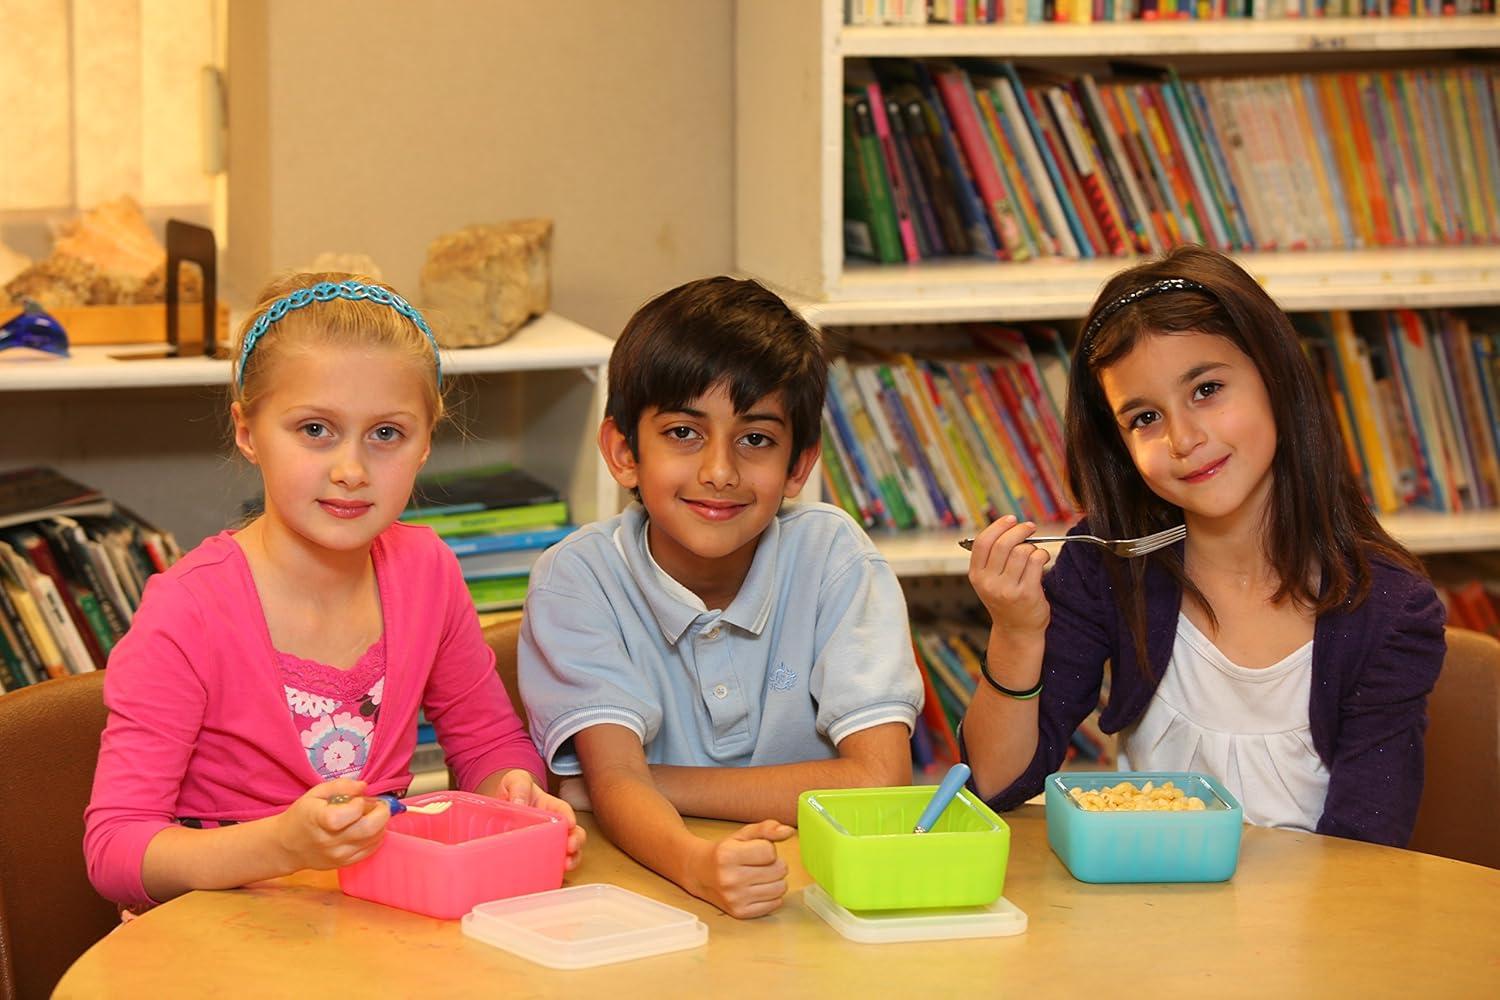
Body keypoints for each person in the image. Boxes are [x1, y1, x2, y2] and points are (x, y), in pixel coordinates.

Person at [84, 273, 583, 912]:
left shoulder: (427, 569)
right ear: (246, 430)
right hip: (213, 937)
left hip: (377, 912)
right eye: (315, 430)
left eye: (386, 434)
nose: (350, 470)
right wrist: (284, 846)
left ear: (426, 443)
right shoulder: (188, 609)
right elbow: (116, 850)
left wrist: (514, 793)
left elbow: (487, 744)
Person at [961, 246, 1445, 847]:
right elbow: (995, 785)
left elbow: (1369, 849)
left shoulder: (1390, 609)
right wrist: (1015, 632)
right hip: (1148, 910)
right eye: (1144, 418)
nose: (1184, 438)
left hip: (1322, 925)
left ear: (1275, 378)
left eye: (1207, 388)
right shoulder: (1109, 564)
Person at [519, 276, 923, 918]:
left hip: (815, 897)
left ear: (798, 467)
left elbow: (878, 780)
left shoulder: (833, 558)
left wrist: (639, 785)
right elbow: (615, 778)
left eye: (756, 438)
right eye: (684, 433)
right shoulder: (580, 579)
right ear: (624, 452)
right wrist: (694, 864)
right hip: (649, 892)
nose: (720, 470)